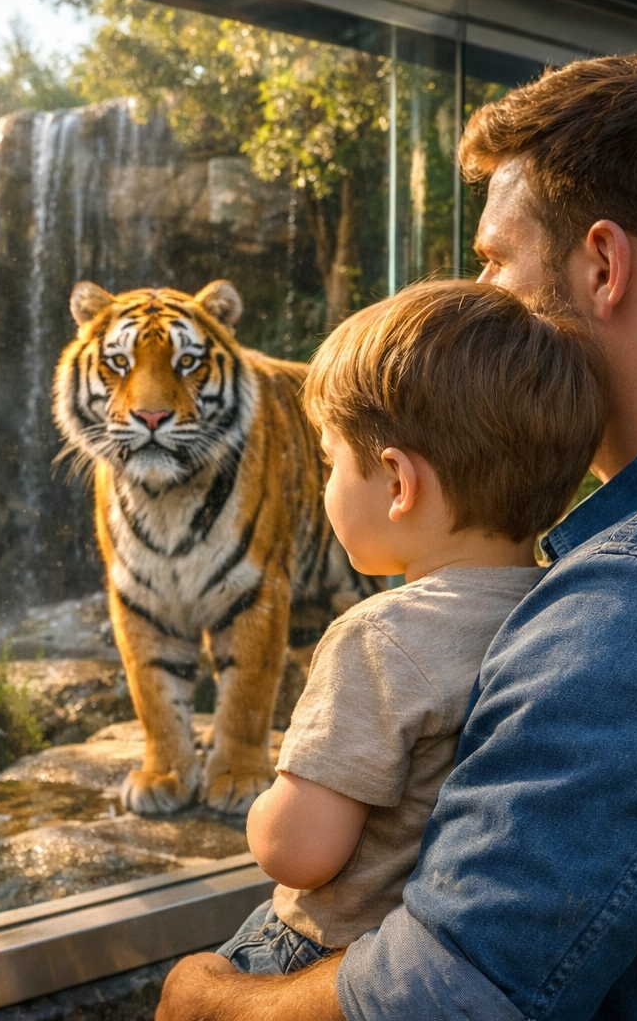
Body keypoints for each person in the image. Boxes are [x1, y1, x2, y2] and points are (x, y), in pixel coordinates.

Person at [159, 51, 637, 1020]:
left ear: (603, 266)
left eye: (492, 261)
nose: (475, 293)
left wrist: (206, 997)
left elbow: (441, 998)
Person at [219, 280, 603, 976]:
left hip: (321, 952)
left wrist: (267, 805)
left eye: (331, 460)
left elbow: (298, 853)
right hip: (450, 946)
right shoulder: (565, 603)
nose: (325, 482)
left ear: (397, 483)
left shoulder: (379, 637)